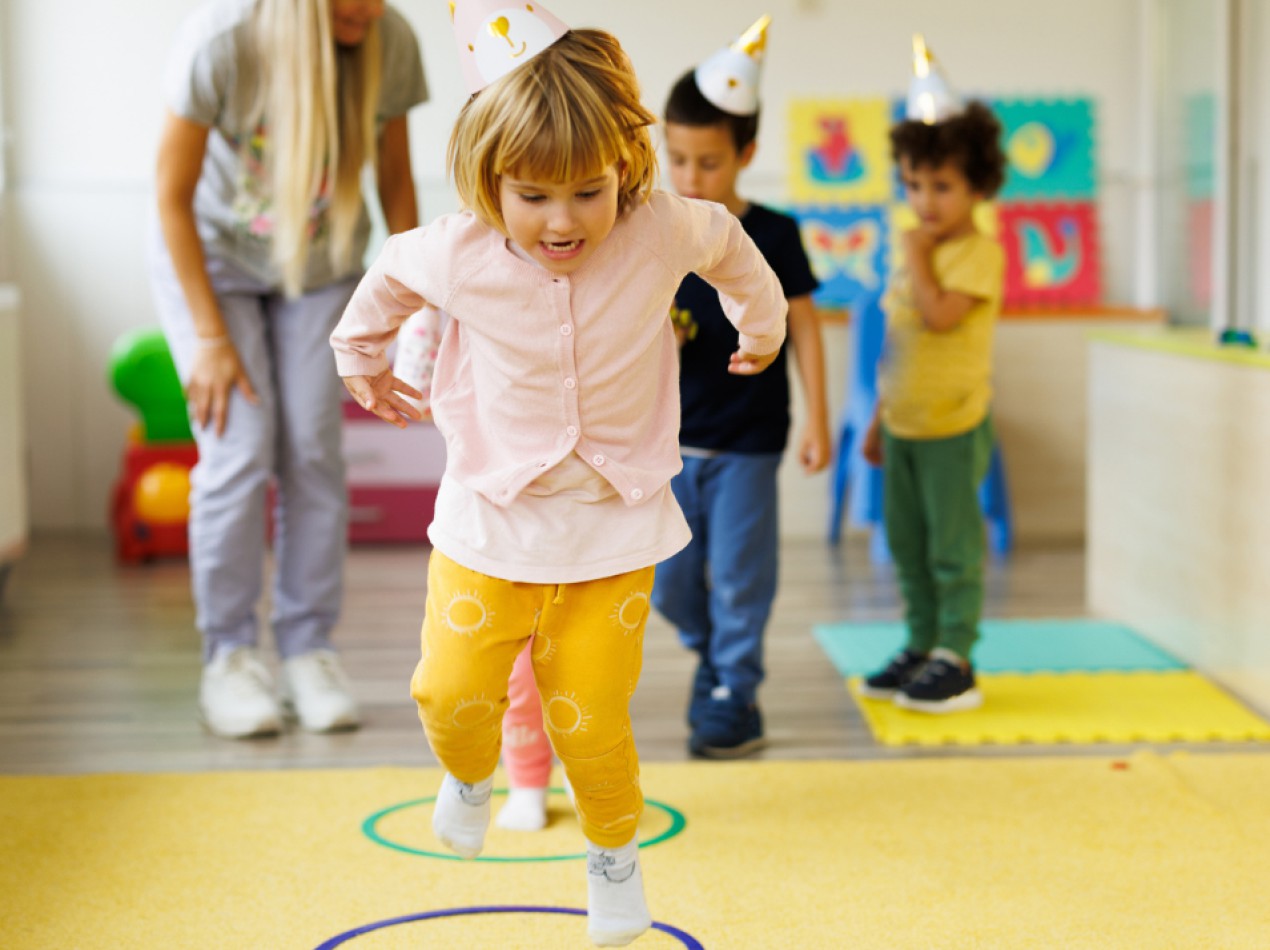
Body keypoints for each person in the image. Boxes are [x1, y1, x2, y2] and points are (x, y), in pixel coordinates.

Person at [329, 3, 786, 943]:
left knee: (590, 716)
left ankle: (613, 858)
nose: (563, 220)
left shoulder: (659, 228)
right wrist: (360, 360)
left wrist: (763, 324)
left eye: (588, 191)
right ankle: (470, 775)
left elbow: (732, 248)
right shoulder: (457, 248)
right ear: (487, 179)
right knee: (448, 691)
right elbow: (388, 277)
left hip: (611, 527)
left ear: (625, 167)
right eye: (532, 195)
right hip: (488, 518)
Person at [148, 0, 427, 739]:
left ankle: (308, 650)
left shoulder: (389, 39)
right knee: (239, 449)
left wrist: (412, 305)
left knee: (311, 447)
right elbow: (170, 197)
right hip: (211, 262)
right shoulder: (222, 40)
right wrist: (209, 336)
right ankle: (230, 656)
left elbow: (397, 182)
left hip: (322, 265)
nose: (370, 9)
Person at [650, 17, 831, 759]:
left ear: (746, 155)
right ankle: (715, 661)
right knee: (669, 583)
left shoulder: (775, 234)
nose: (690, 178)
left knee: (739, 576)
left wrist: (819, 419)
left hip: (749, 441)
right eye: (677, 160)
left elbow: (806, 328)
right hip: (669, 444)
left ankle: (736, 690)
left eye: (709, 162)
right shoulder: (654, 232)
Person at [858, 37, 1006, 713]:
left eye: (941, 186)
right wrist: (878, 418)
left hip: (952, 425)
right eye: (914, 185)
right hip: (905, 425)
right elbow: (899, 345)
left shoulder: (978, 253)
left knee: (952, 547)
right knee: (908, 546)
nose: (924, 202)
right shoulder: (915, 251)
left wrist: (916, 255)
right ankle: (920, 642)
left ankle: (956, 654)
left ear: (978, 186)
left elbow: (942, 317)